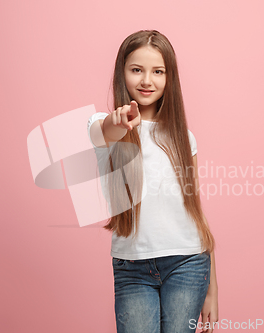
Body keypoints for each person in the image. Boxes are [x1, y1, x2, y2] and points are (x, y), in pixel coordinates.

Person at [87, 30, 219, 333]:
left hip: (188, 264)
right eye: (137, 70)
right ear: (122, 73)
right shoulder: (102, 125)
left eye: (158, 71)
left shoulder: (184, 138)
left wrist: (211, 289)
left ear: (169, 78)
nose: (147, 81)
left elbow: (196, 214)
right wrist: (119, 122)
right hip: (132, 269)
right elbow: (106, 131)